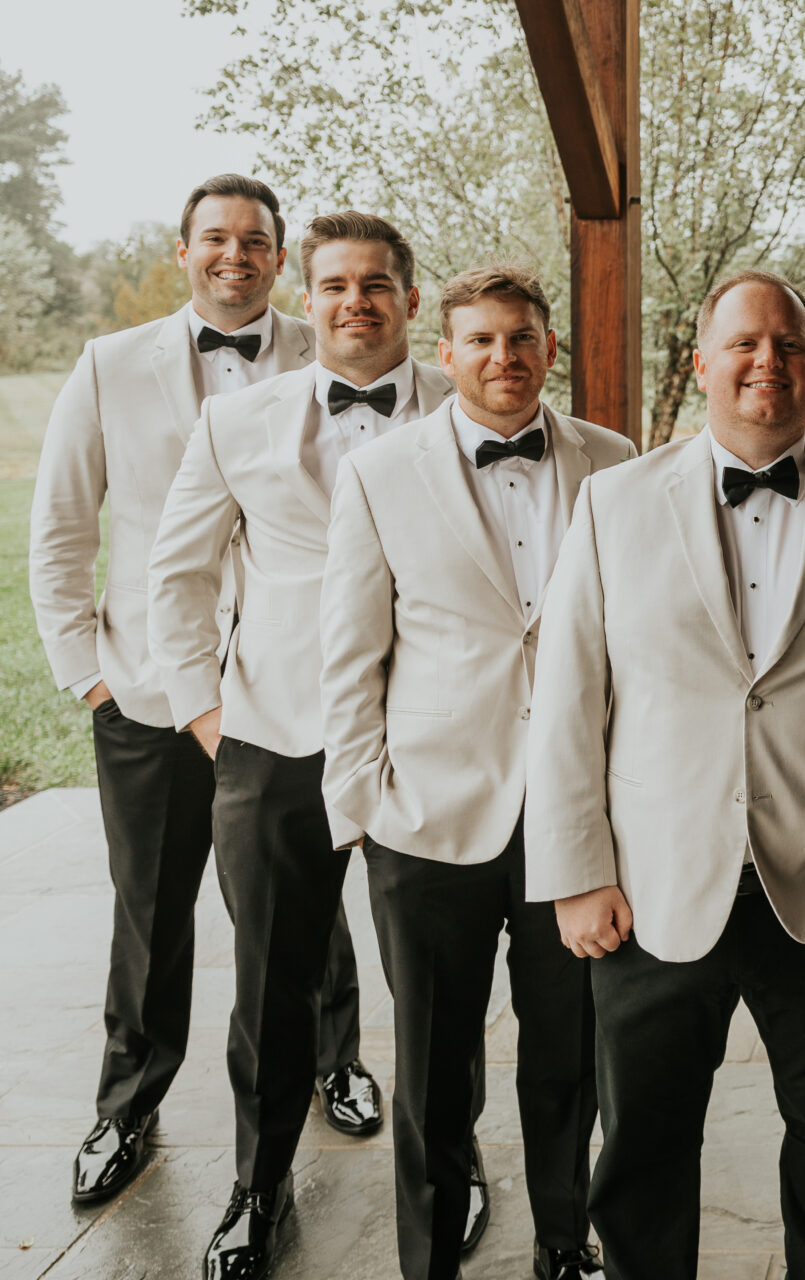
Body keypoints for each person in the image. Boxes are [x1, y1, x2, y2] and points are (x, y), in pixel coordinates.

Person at [525, 271, 805, 1280]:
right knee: (641, 1148)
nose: (767, 361)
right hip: (652, 886)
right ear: (700, 362)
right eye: (743, 343)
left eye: (791, 345)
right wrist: (574, 869)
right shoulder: (613, 501)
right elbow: (568, 695)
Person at [28, 174, 378, 1211]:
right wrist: (88, 673)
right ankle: (127, 1104)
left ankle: (332, 1061)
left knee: (303, 904)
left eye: (256, 241)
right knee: (151, 907)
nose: (236, 255)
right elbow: (60, 530)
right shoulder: (108, 366)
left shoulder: (335, 351)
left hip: (292, 688)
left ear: (280, 258)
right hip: (144, 690)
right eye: (215, 238)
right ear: (182, 250)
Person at [146, 211, 453, 1280]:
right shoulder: (238, 423)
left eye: (377, 284)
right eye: (333, 285)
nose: (355, 301)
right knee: (270, 986)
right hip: (273, 743)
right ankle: (256, 1187)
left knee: (436, 996)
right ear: (305, 299)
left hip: (433, 749)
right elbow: (177, 576)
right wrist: (205, 714)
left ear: (412, 301)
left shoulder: (467, 410)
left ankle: (444, 1177)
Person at [319, 265, 629, 1280]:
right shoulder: (380, 472)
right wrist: (359, 802)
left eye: (523, 338)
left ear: (551, 348)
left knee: (567, 1056)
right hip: (427, 818)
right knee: (434, 1067)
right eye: (482, 340)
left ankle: (561, 1240)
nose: (504, 357)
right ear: (444, 353)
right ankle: (428, 1260)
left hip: (577, 822)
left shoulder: (615, 464)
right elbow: (350, 649)